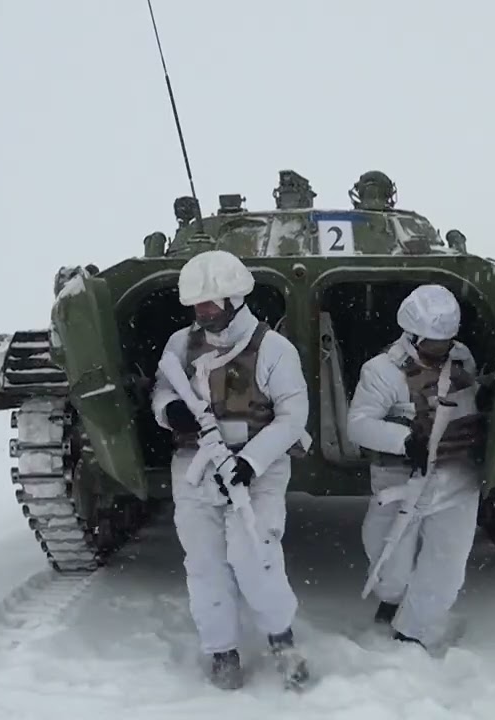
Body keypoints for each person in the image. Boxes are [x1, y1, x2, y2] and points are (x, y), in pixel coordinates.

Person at [150, 250, 311, 689]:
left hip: (257, 463)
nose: (204, 311)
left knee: (255, 556)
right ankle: (221, 649)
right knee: (204, 563)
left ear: (236, 299)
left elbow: (293, 416)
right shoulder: (181, 345)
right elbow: (163, 391)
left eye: (212, 303)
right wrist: (172, 411)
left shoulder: (273, 348)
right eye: (198, 304)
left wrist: (250, 461)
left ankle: (283, 639)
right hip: (195, 464)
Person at [347, 283, 486, 648]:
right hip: (401, 478)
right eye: (431, 344)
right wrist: (405, 440)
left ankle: (411, 631)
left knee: (447, 566)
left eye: (445, 343)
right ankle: (392, 599)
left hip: (457, 474)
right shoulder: (382, 371)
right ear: (410, 335)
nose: (439, 352)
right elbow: (358, 424)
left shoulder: (463, 359)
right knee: (388, 564)